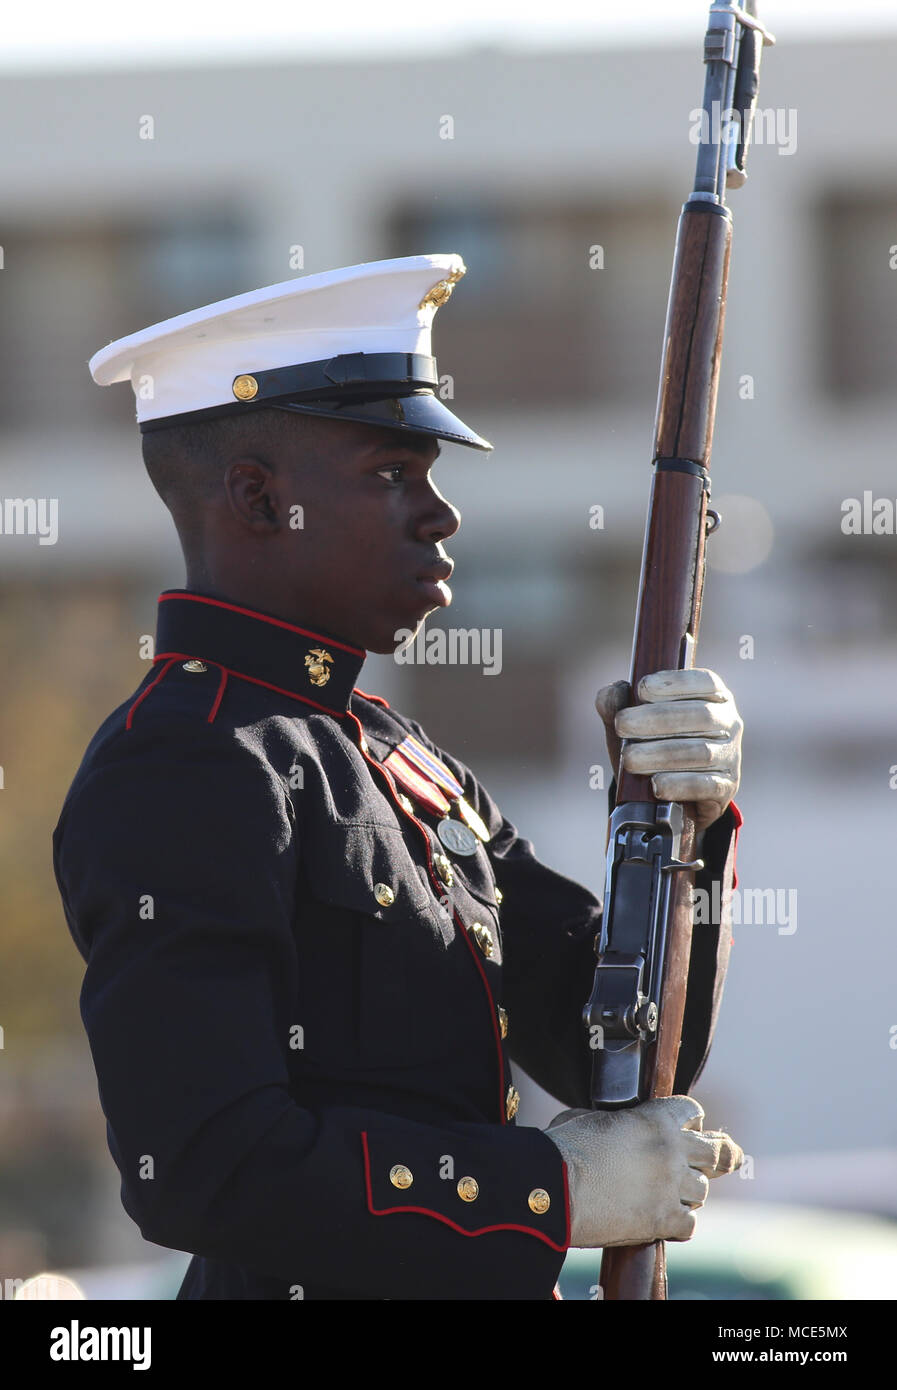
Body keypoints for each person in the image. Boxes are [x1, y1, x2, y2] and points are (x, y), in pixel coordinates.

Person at [53, 254, 744, 1301]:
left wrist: (683, 826)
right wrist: (545, 1189)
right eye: (393, 473)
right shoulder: (188, 758)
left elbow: (626, 1050)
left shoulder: (399, 759)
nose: (440, 513)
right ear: (256, 496)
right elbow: (201, 1163)